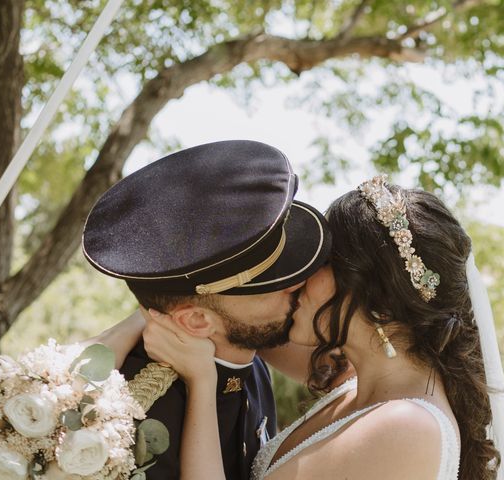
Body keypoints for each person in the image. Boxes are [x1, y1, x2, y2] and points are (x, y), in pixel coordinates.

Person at [112, 175, 504, 479]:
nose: (299, 276)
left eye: (325, 263)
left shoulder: (406, 427)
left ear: (380, 305)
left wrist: (202, 384)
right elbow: (230, 317)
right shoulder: (355, 381)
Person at [81, 140, 333, 480]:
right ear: (197, 320)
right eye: (269, 284)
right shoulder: (128, 416)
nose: (297, 284)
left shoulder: (252, 361)